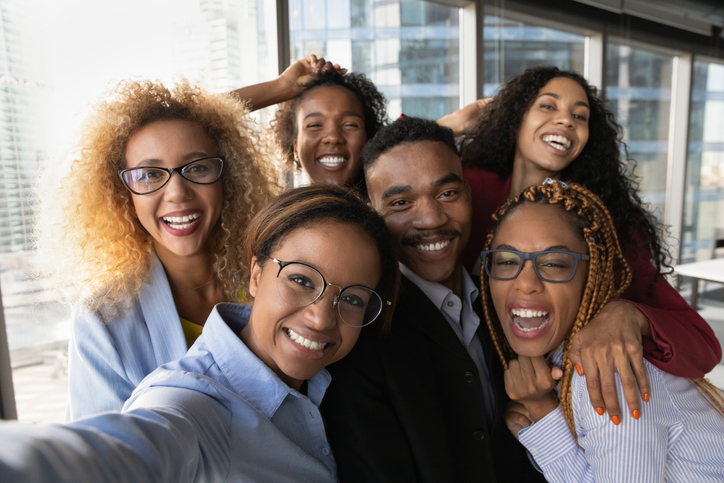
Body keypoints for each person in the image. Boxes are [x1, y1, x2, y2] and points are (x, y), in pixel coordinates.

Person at [0, 185, 398, 482]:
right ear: (256, 276)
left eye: (353, 299)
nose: (321, 319)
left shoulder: (332, 381)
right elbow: (131, 446)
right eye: (300, 280)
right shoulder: (195, 401)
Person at [460, 66, 721, 421]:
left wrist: (629, 315)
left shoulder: (604, 228)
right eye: (548, 106)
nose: (566, 121)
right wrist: (454, 125)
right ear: (515, 118)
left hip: (556, 408)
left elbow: (701, 342)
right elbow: (388, 177)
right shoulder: (469, 189)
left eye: (579, 116)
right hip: (464, 383)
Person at [34, 79, 278, 420]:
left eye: (197, 168)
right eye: (149, 174)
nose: (177, 192)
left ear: (229, 178)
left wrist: (285, 86)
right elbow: (105, 459)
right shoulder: (102, 320)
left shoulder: (273, 278)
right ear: (124, 195)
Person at [322, 116, 547, 482]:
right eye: (400, 202)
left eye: (446, 193)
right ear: (372, 214)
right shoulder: (360, 336)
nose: (430, 218)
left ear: (469, 195)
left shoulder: (507, 300)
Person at [480, 179, 724, 482]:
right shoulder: (559, 360)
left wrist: (542, 416)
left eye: (554, 264)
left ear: (591, 275)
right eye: (505, 260)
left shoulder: (609, 371)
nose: (526, 282)